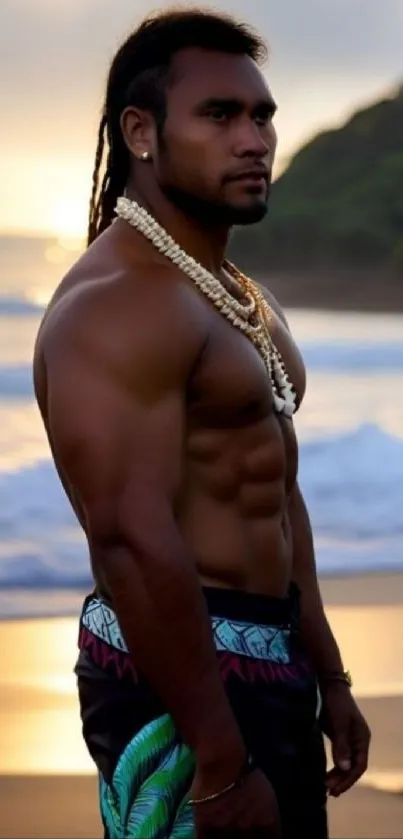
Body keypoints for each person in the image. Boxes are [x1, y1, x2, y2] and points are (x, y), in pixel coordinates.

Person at [33, 7, 371, 838]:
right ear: (140, 133)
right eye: (219, 115)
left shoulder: (236, 296)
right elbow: (130, 538)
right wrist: (218, 764)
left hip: (273, 657)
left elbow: (277, 491)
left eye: (261, 116)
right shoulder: (115, 306)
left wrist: (328, 674)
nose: (254, 139)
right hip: (174, 677)